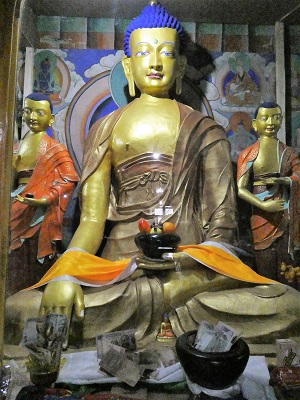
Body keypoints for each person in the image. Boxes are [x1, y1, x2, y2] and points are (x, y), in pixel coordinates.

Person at [5, 2, 300, 350]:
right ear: (128, 66)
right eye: (144, 52)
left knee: (290, 304)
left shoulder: (205, 130)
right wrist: (67, 275)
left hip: (192, 272)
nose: (156, 62)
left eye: (166, 53)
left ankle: (158, 313)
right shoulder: (105, 129)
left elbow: (222, 228)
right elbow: (91, 221)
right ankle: (173, 321)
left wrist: (186, 273)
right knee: (15, 310)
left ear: (181, 66)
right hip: (119, 273)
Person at [8, 92, 78, 295]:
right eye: (28, 111)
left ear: (51, 118)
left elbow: (69, 179)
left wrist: (44, 199)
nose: (33, 117)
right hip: (15, 208)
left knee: (35, 258)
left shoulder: (56, 149)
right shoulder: (15, 147)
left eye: (40, 112)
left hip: (39, 214)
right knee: (15, 262)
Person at [237, 102, 300, 287]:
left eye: (275, 117)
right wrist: (263, 205)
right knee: (264, 263)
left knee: (286, 263)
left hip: (284, 212)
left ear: (280, 121)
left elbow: (298, 174)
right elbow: (240, 188)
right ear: (255, 124)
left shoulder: (288, 153)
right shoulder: (249, 153)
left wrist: (284, 181)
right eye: (265, 118)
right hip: (260, 213)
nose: (270, 122)